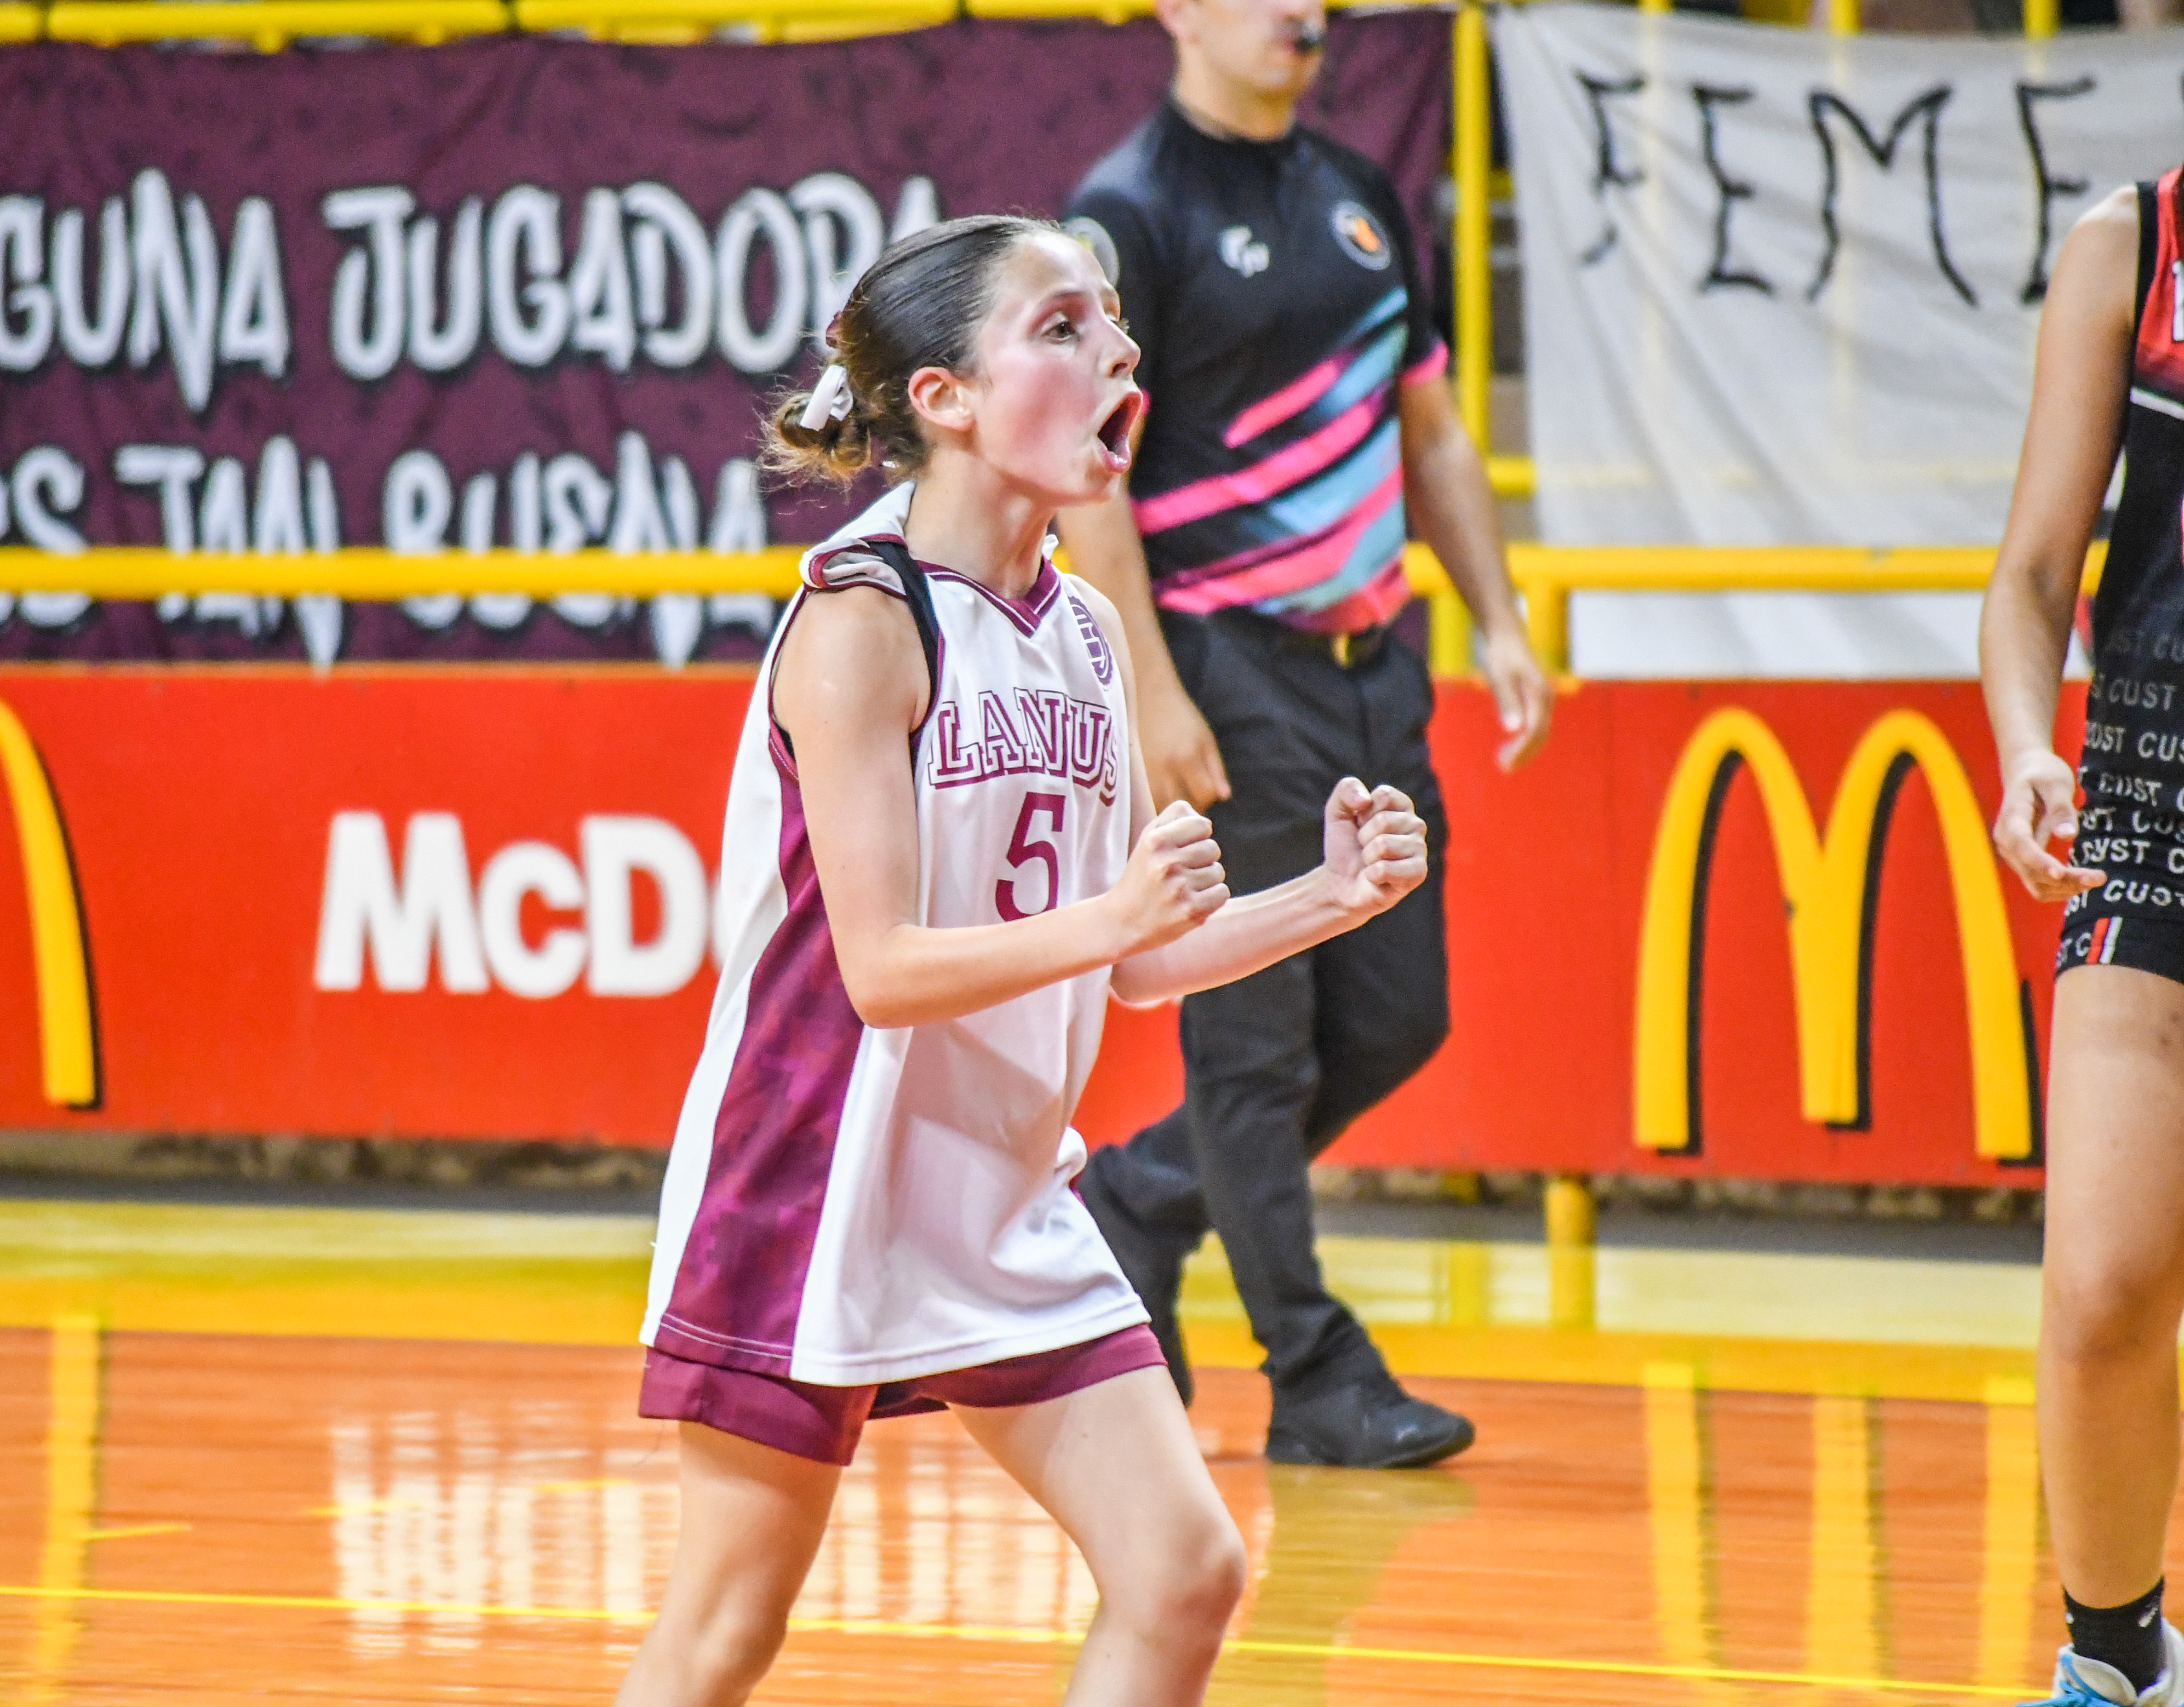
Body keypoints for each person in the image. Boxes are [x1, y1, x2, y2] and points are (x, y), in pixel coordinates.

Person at [616, 213, 1433, 1707]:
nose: (1116, 352)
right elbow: (883, 969)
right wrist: (1112, 920)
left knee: (1186, 1571)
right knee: (724, 1636)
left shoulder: (1090, 632)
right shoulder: (860, 621)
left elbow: (1131, 966)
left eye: (1113, 325)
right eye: (1061, 328)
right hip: (819, 1183)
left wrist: (1328, 897)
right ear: (944, 399)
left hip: (998, 1191)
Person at [1055, 0, 1552, 1468]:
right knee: (1254, 1052)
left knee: (1402, 1013)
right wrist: (1152, 688)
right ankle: (1316, 1375)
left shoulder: (1358, 194)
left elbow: (1434, 424)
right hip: (1230, 664)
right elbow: (1092, 475)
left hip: (1371, 667)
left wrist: (1501, 618)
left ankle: (1140, 1202)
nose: (1303, 12)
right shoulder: (1124, 215)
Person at [1983, 168, 2184, 1707]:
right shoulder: (2133, 241)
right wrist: (2022, 746)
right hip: (2154, 778)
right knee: (2106, 1282)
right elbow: (2036, 573)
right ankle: (2117, 1662)